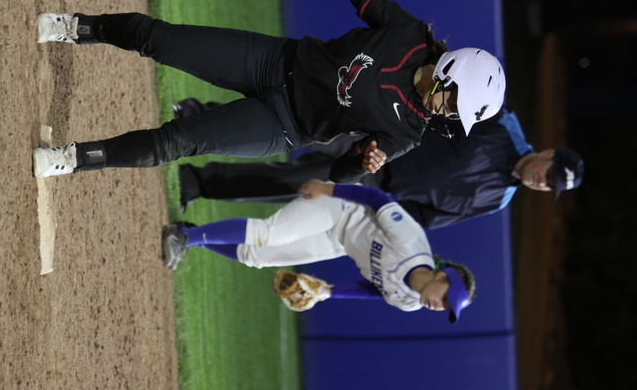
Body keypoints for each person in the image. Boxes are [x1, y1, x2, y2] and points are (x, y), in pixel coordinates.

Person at [32, 0, 505, 182]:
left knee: (178, 141)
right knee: (159, 38)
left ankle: (71, 160)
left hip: (284, 125)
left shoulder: (408, 134)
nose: (446, 113)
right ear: (452, 71)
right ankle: (74, 26)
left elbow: (337, 171)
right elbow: (368, 1)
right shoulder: (409, 34)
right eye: (454, 103)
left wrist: (363, 163)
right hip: (273, 61)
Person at [173, 102, 585, 229]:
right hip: (376, 136)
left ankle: (197, 182)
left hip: (375, 180)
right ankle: (199, 118)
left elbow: (429, 215)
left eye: (549, 186)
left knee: (292, 184)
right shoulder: (502, 123)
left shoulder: (497, 200)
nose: (541, 181)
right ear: (548, 152)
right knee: (292, 123)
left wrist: (382, 210)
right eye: (548, 173)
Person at [161, 179, 475, 322]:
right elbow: (378, 198)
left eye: (447, 308)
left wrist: (328, 292)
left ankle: (197, 235)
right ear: (442, 275)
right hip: (340, 208)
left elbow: (377, 291)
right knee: (268, 234)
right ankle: (184, 237)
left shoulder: (409, 303)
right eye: (446, 298)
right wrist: (328, 189)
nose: (440, 306)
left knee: (256, 257)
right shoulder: (410, 241)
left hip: (338, 241)